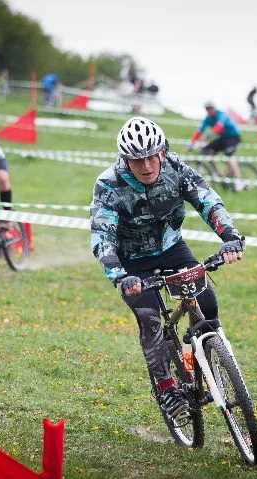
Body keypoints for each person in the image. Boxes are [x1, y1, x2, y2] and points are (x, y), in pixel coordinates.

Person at [90, 117, 245, 422]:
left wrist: (230, 237)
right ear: (125, 159)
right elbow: (102, 235)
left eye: (152, 156)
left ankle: (201, 351)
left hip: (172, 247)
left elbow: (207, 201)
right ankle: (166, 388)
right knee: (149, 319)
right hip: (132, 261)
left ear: (162, 151)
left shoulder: (175, 168)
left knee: (207, 302)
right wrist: (120, 276)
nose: (146, 166)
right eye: (137, 160)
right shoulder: (108, 185)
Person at [187, 102, 245, 191]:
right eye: (207, 109)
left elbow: (218, 128)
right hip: (223, 138)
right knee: (207, 150)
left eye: (211, 108)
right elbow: (199, 131)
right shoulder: (207, 119)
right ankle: (217, 173)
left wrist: (204, 139)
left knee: (229, 156)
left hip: (233, 137)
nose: (209, 110)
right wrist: (191, 143)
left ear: (214, 108)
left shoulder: (221, 115)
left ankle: (239, 181)